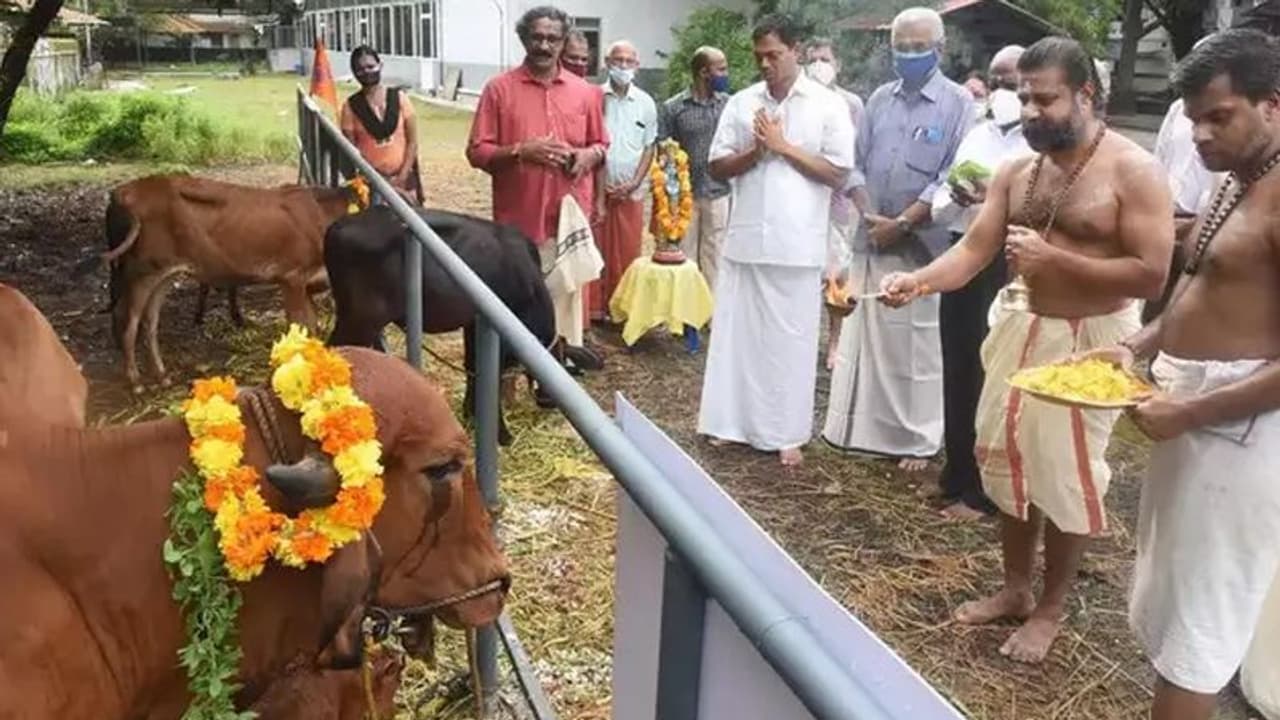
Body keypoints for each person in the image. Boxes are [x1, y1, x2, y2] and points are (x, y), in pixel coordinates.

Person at [880, 36, 1173, 664]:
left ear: (1086, 94)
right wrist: (917, 281)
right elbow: (972, 251)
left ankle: (1050, 609)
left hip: (1092, 342)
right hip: (1022, 327)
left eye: (1046, 99)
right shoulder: (1017, 171)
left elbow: (1152, 274)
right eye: (1026, 99)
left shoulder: (1134, 170)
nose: (1032, 111)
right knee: (1009, 465)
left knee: (1065, 479)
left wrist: (1055, 259)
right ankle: (1015, 589)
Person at [1082, 30, 1280, 720]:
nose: (1198, 133)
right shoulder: (1236, 184)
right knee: (1172, 618)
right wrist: (1133, 345)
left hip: (1240, 436)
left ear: (1273, 106)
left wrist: (1193, 412)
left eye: (1218, 116)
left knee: (1197, 631)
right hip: (1194, 422)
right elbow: (1197, 286)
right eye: (1192, 116)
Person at [697, 14, 854, 467]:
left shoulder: (827, 104)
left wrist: (784, 147)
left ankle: (786, 433)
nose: (765, 64)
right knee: (737, 338)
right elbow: (715, 166)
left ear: (797, 51)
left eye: (774, 54)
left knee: (791, 342)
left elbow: (839, 172)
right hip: (747, 237)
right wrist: (756, 151)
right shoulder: (743, 102)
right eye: (759, 56)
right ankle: (730, 424)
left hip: (798, 242)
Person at [822, 7, 974, 472]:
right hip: (872, 235)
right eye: (900, 48)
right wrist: (869, 212)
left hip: (923, 248)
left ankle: (917, 440)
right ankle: (862, 430)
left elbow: (954, 176)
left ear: (940, 49)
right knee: (868, 337)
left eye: (917, 47)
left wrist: (903, 222)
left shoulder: (959, 104)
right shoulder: (879, 100)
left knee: (917, 346)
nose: (908, 55)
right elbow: (856, 163)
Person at [466, 5, 609, 392]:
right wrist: (519, 152)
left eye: (553, 38)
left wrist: (586, 156)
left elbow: (601, 144)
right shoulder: (499, 89)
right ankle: (506, 381)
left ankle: (553, 382)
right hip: (517, 224)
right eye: (537, 37)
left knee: (563, 302)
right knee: (514, 302)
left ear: (564, 42)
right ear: (524, 38)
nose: (544, 45)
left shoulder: (586, 93)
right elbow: (477, 151)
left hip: (566, 220)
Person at [927, 45, 1029, 520]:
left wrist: (997, 196)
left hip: (1009, 266)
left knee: (995, 372)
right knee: (959, 366)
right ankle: (958, 472)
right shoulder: (977, 134)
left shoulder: (1039, 145)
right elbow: (942, 202)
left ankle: (986, 491)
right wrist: (957, 195)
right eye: (996, 80)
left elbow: (1041, 211)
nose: (1003, 91)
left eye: (1013, 82)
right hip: (962, 256)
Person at [804, 36, 865, 370]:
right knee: (804, 276)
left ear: (838, 65)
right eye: (813, 59)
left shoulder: (852, 104)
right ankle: (802, 342)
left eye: (825, 59)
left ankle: (835, 344)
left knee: (837, 277)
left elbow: (859, 156)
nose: (819, 66)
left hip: (839, 206)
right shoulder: (796, 101)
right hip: (802, 204)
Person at [591, 40, 657, 321]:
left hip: (631, 191)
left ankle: (623, 307)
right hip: (599, 190)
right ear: (607, 62)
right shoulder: (594, 98)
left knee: (628, 251)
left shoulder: (645, 103)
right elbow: (590, 142)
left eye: (629, 61)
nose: (623, 66)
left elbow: (649, 147)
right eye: (618, 60)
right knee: (597, 250)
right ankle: (596, 307)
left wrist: (633, 182)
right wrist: (599, 188)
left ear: (637, 66)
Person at [658, 46, 731, 290]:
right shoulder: (674, 108)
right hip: (683, 196)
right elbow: (664, 151)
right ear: (703, 72)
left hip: (719, 192)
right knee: (684, 257)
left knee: (715, 256)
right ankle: (685, 317)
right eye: (721, 69)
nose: (725, 74)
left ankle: (713, 316)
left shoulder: (728, 106)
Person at [340, 45, 423, 203]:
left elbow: (412, 142)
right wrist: (376, 181)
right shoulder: (350, 107)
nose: (366, 72)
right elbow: (350, 151)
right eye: (360, 69)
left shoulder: (400, 99)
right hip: (371, 184)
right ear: (354, 73)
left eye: (371, 66)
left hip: (404, 179)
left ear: (380, 65)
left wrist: (401, 177)